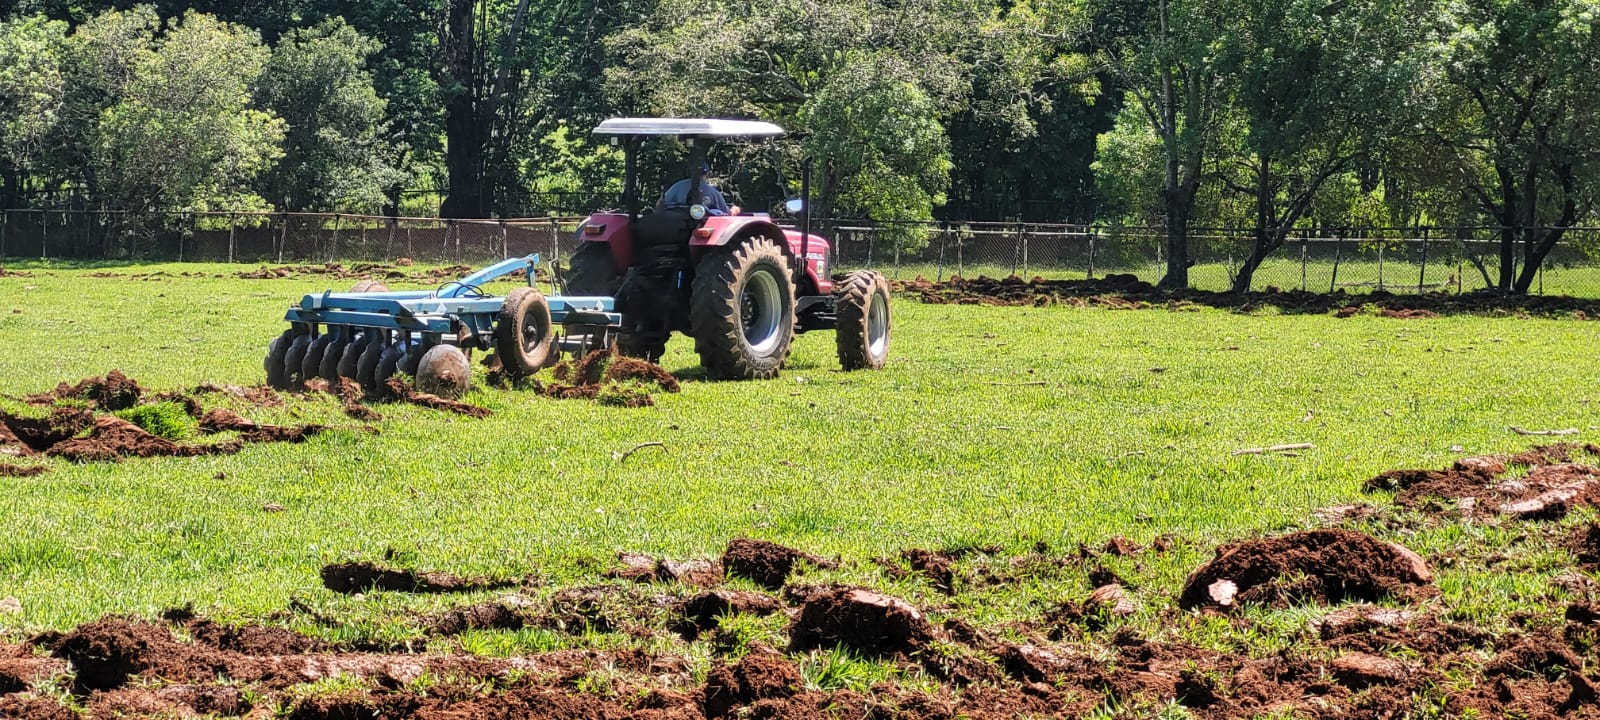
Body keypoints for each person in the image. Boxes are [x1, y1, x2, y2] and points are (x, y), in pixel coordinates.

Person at [658, 162, 732, 215]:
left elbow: (662, 204)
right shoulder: (713, 192)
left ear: (690, 172)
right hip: (700, 225)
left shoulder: (676, 187)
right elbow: (726, 212)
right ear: (708, 173)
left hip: (676, 226)